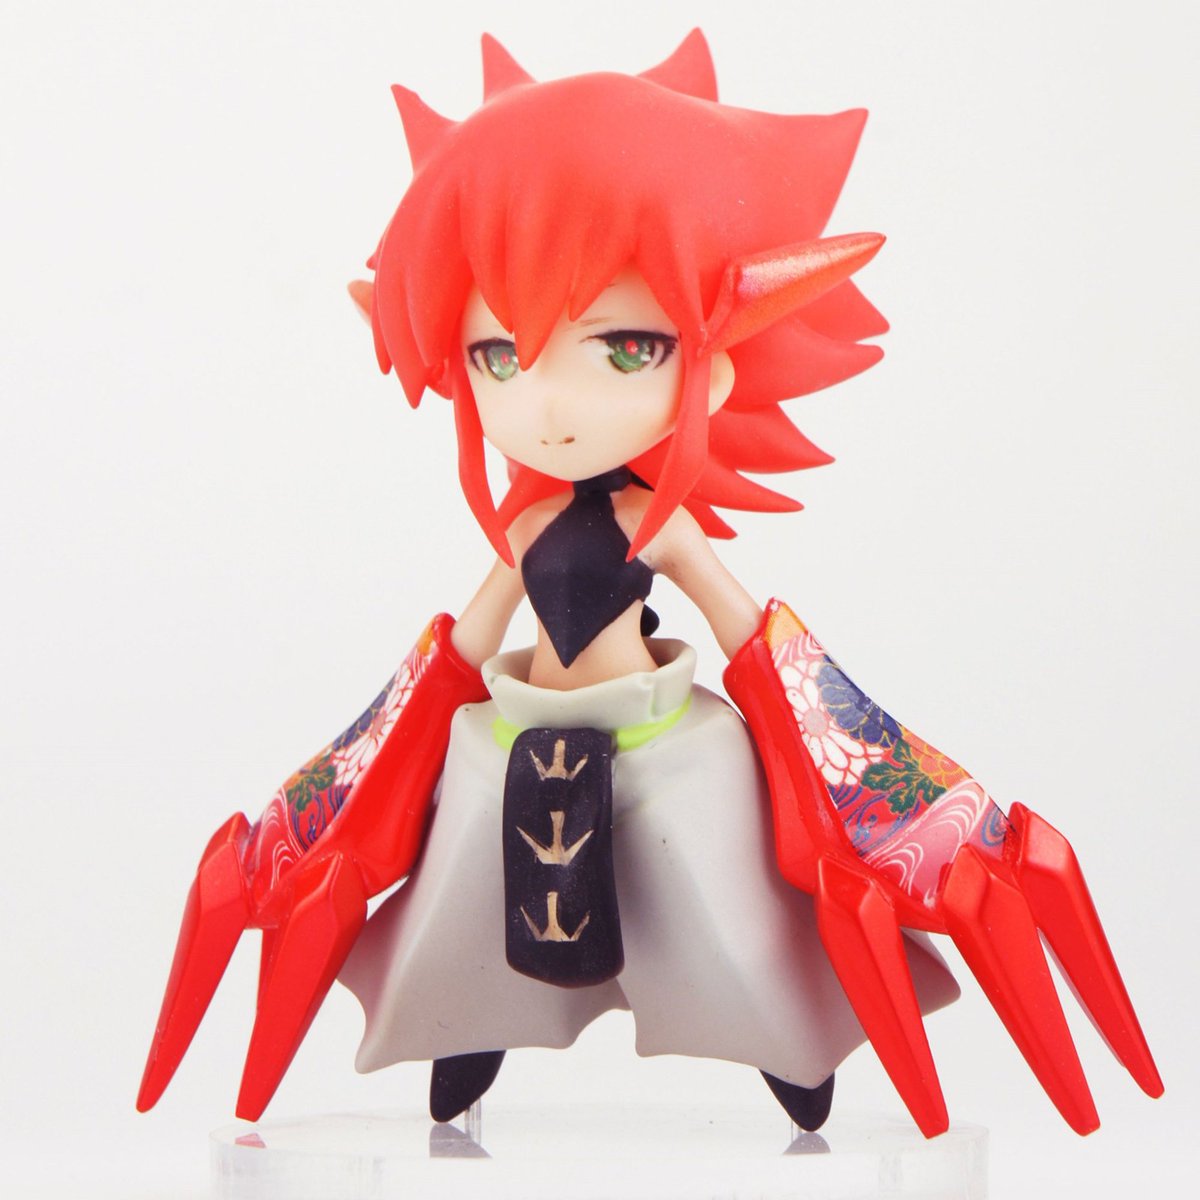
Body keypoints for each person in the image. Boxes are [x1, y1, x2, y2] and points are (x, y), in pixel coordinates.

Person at [138, 31, 1160, 1140]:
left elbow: (740, 629)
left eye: (624, 347)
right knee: (461, 889)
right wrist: (363, 765)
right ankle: (466, 1025)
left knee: (724, 892)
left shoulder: (655, 526)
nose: (546, 402)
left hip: (664, 734)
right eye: (497, 356)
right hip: (515, 729)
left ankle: (783, 1037)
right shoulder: (527, 524)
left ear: (712, 369)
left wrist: (851, 755)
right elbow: (467, 646)